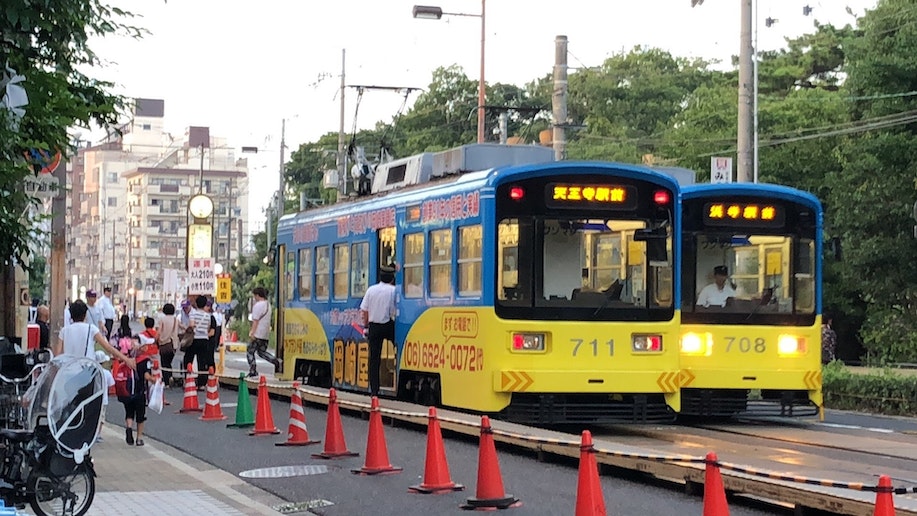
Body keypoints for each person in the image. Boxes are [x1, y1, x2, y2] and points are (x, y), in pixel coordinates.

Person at [54, 299, 133, 366]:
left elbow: (58, 355)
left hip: (69, 369)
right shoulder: (91, 329)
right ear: (85, 315)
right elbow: (108, 347)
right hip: (87, 370)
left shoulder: (64, 330)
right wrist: (126, 359)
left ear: (71, 315)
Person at [360, 268, 396, 396]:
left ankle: (374, 390)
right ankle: (396, 372)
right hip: (388, 325)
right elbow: (394, 311)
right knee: (398, 347)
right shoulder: (393, 291)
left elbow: (364, 310)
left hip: (374, 326)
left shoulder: (371, 290)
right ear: (392, 279)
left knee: (374, 359)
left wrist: (366, 326)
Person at [119, 350, 154, 447]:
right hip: (139, 392)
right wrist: (154, 380)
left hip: (127, 392)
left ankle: (129, 427)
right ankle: (139, 438)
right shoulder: (145, 361)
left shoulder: (127, 360)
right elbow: (146, 376)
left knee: (129, 413)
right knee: (140, 416)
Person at [247, 287, 281, 378]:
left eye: (254, 296)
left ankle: (253, 370)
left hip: (258, 333)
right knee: (262, 352)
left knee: (250, 351)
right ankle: (276, 361)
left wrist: (252, 333)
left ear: (257, 295)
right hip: (265, 334)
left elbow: (256, 321)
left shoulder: (258, 306)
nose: (254, 298)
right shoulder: (268, 305)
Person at [184, 295, 212, 388]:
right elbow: (208, 328)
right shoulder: (208, 316)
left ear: (196, 303)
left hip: (194, 339)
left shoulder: (193, 314)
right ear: (205, 305)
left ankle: (187, 379)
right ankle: (202, 384)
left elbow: (191, 325)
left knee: (188, 359)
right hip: (204, 339)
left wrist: (187, 329)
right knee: (202, 361)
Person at [155, 303, 179, 387]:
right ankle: (170, 376)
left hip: (163, 344)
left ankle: (167, 381)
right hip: (173, 345)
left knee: (164, 363)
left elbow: (158, 332)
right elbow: (182, 328)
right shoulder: (176, 320)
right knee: (169, 362)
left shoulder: (162, 319)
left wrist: (155, 339)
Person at [95, 350, 115, 443]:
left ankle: (93, 434)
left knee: (94, 416)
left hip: (93, 399)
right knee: (101, 417)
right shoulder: (107, 373)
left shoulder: (92, 372)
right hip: (103, 399)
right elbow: (111, 384)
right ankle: (98, 434)